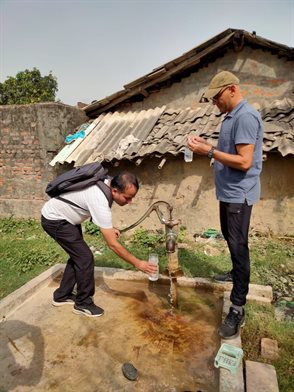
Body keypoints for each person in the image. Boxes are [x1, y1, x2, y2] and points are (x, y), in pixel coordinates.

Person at [187, 70, 263, 339]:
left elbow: (244, 161)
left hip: (239, 195)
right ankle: (234, 273)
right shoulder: (231, 117)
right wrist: (207, 146)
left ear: (231, 89)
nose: (215, 103)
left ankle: (238, 307)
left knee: (239, 246)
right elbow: (230, 154)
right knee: (232, 242)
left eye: (216, 97)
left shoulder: (244, 116)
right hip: (228, 193)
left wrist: (207, 151)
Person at [41, 171, 157, 318]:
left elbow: (91, 207)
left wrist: (109, 228)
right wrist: (138, 263)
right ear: (114, 190)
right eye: (127, 198)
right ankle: (83, 303)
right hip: (55, 220)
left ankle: (62, 295)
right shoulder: (100, 198)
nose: (130, 202)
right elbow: (113, 245)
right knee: (85, 258)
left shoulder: (107, 182)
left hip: (67, 218)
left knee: (78, 256)